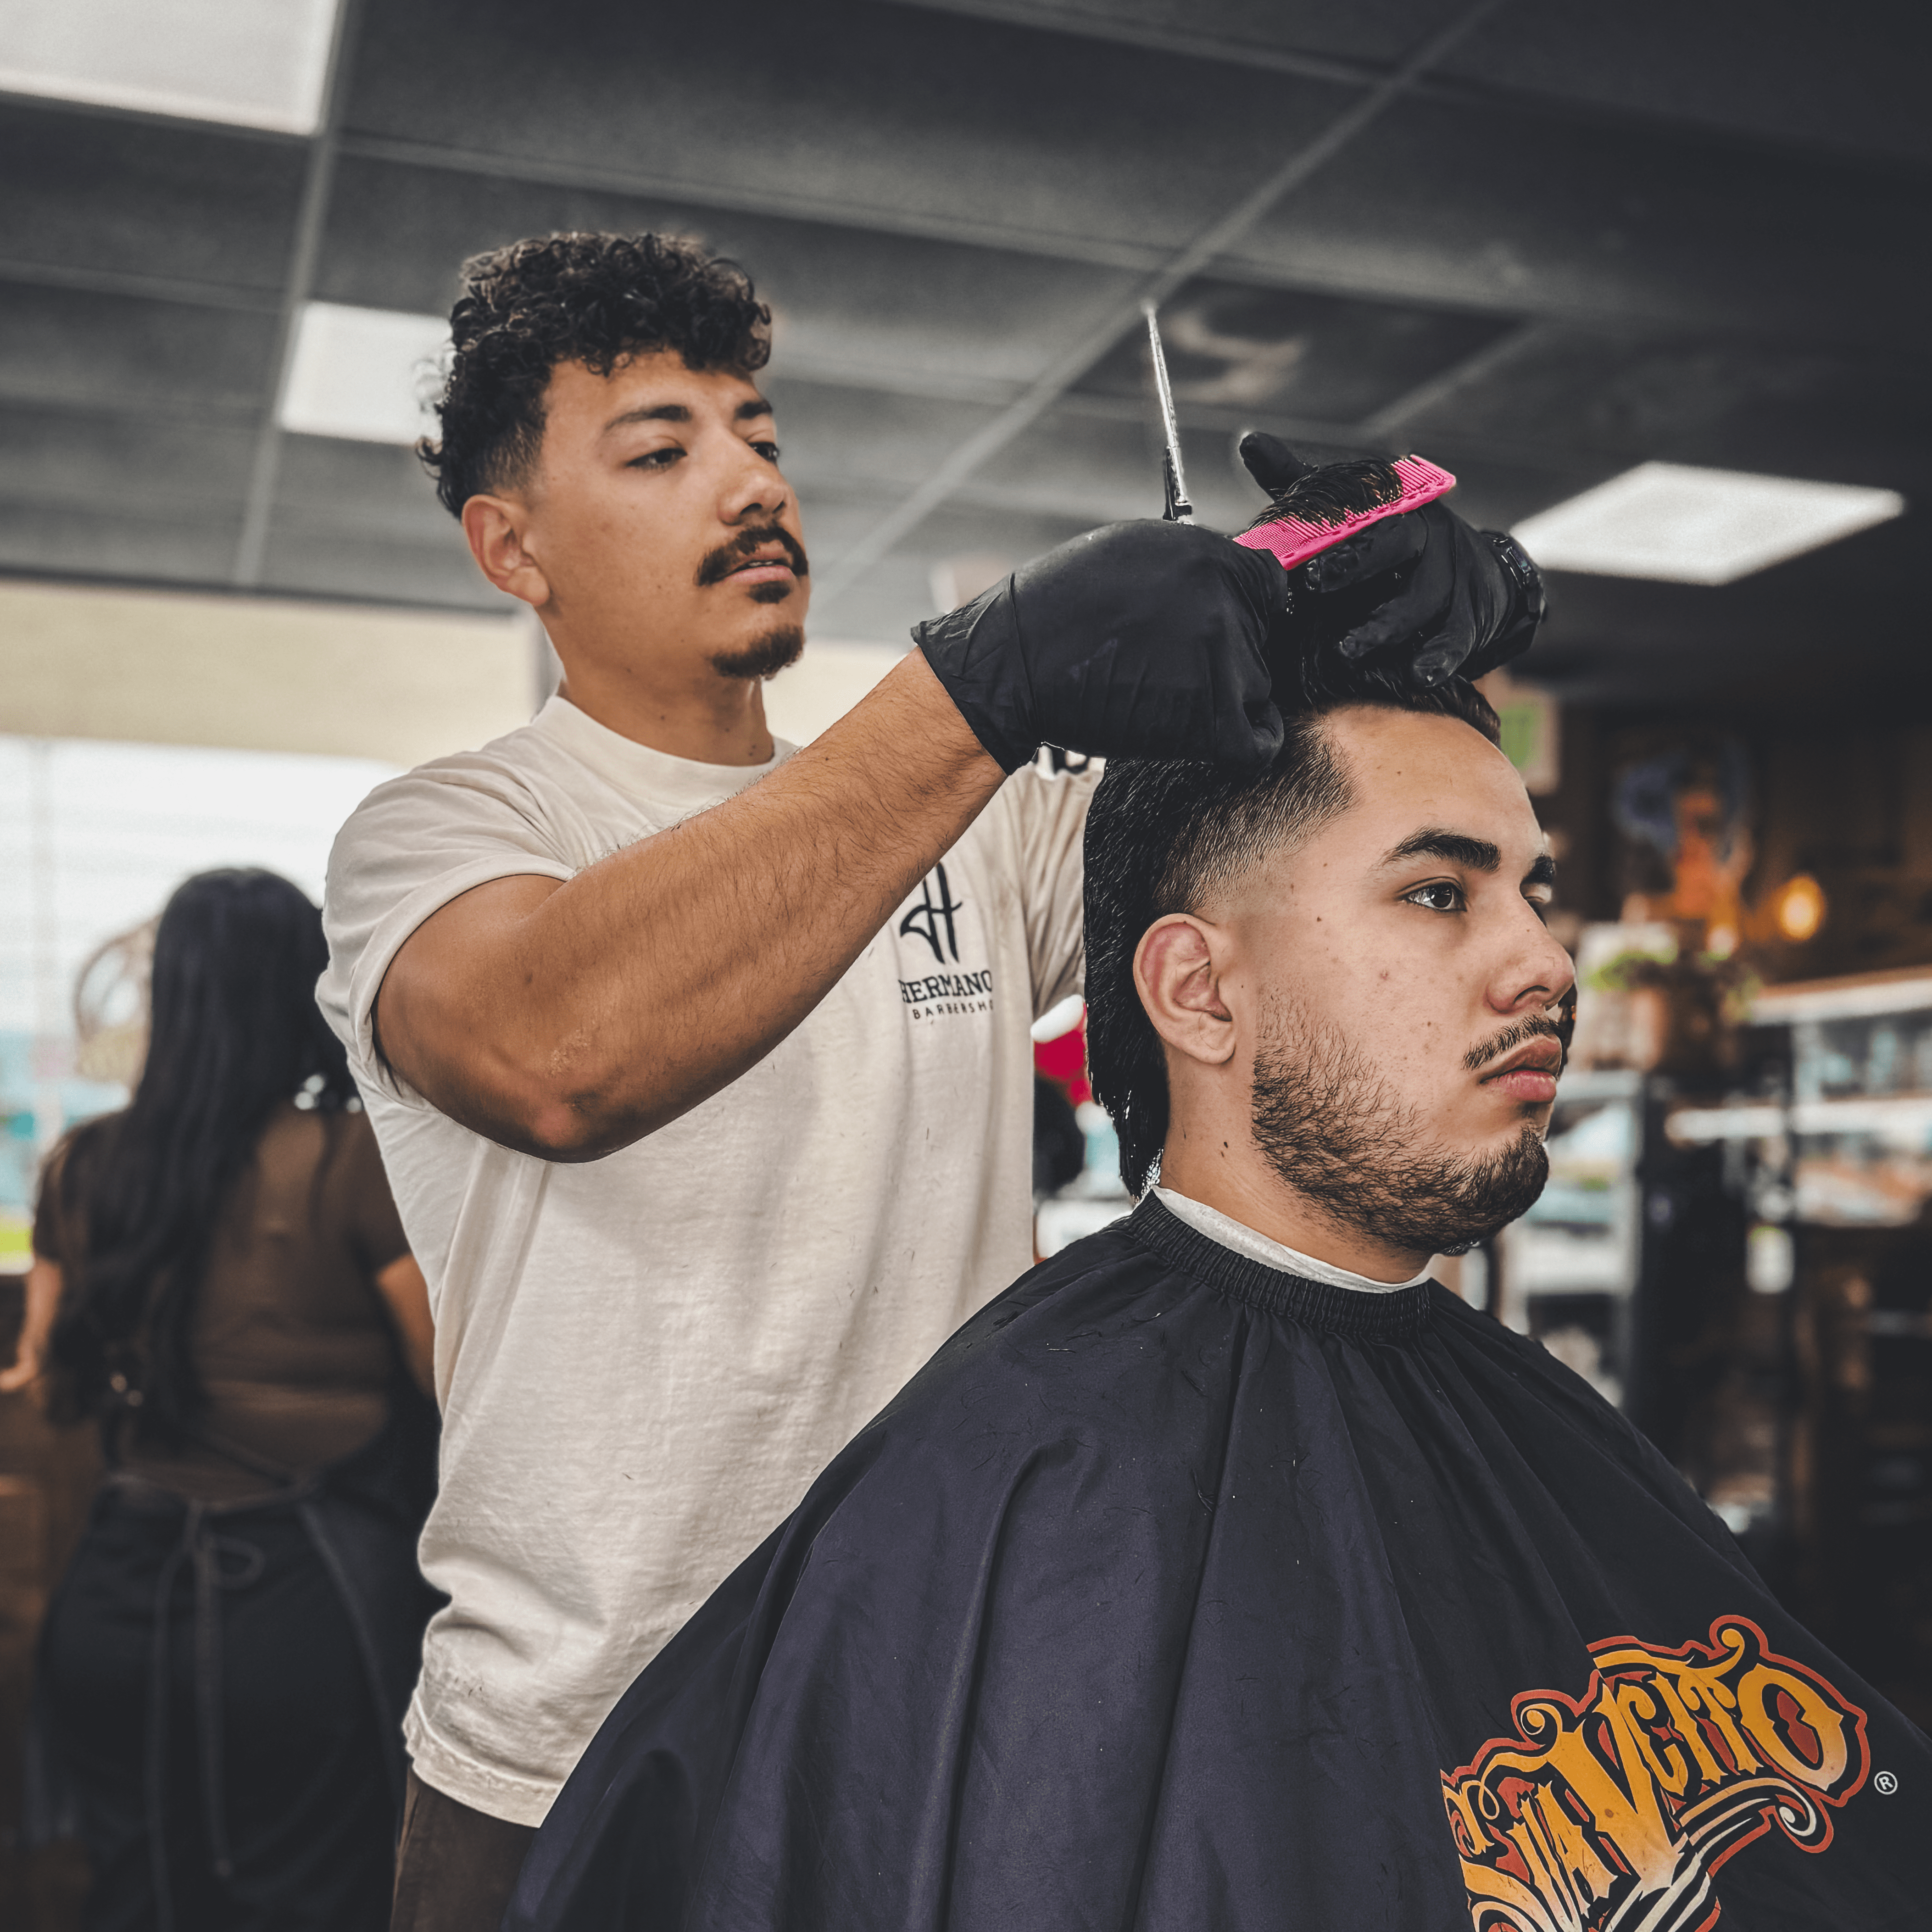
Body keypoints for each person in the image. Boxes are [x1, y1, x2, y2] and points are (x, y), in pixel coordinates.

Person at [315, 229, 1548, 1926]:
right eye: (664, 450)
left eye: (759, 434)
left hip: (921, 1718)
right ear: (509, 545)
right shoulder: (452, 834)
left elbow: (1254, 885)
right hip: (566, 1759)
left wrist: (1360, 606)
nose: (747, 479)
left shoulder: (982, 824)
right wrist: (982, 683)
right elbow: (557, 1052)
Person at [504, 653, 1929, 1932]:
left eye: (1529, 891)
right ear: (1196, 991)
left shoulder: (1536, 1420)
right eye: (1439, 892)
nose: (1544, 962)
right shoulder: (1035, 1470)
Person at [5, 869, 441, 1932]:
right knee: (311, 1897)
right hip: (307, 1606)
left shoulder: (85, 1166)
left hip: (117, 1598)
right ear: (308, 990)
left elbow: (47, 1382)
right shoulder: (356, 1162)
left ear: (175, 997)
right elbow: (459, 1381)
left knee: (131, 1892)